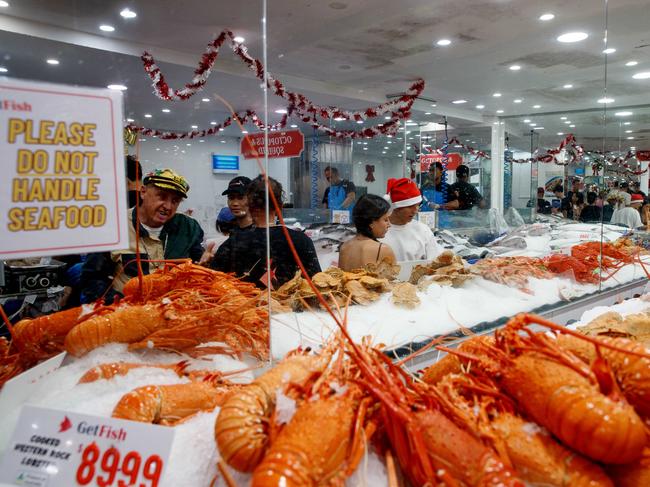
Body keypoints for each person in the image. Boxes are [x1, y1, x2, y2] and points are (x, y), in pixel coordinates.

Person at [80, 168, 204, 303]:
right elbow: (92, 278)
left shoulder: (188, 227)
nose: (168, 206)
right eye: (162, 196)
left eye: (175, 201)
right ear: (143, 192)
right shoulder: (113, 225)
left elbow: (199, 266)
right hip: (127, 310)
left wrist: (207, 263)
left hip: (176, 309)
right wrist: (118, 303)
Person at [211, 175, 321, 288]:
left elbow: (213, 284)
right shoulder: (301, 241)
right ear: (280, 206)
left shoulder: (233, 243)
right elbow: (318, 284)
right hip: (290, 305)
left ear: (250, 205)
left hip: (248, 304)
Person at [380, 178, 444, 262]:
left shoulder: (422, 230)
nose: (415, 211)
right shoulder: (380, 231)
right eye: (410, 206)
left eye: (417, 205)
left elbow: (435, 261)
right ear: (397, 207)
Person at [338, 194, 396, 271]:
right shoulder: (383, 250)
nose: (389, 224)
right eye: (385, 220)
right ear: (371, 222)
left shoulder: (344, 247)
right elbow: (393, 281)